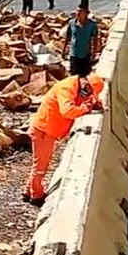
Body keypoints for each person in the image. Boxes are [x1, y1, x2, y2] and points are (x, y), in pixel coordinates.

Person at [25, 73, 104, 205]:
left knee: (41, 163)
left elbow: (88, 100)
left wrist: (93, 103)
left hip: (47, 130)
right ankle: (36, 195)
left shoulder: (79, 85)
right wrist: (85, 108)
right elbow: (67, 111)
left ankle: (28, 191)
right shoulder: (66, 88)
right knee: (41, 166)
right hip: (44, 130)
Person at [64, 6, 100, 77]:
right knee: (74, 76)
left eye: (81, 11)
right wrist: (64, 49)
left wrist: (94, 52)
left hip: (85, 54)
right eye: (77, 11)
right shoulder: (72, 23)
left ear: (86, 13)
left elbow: (95, 39)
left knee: (85, 75)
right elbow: (68, 37)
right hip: (74, 54)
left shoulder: (92, 25)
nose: (78, 13)